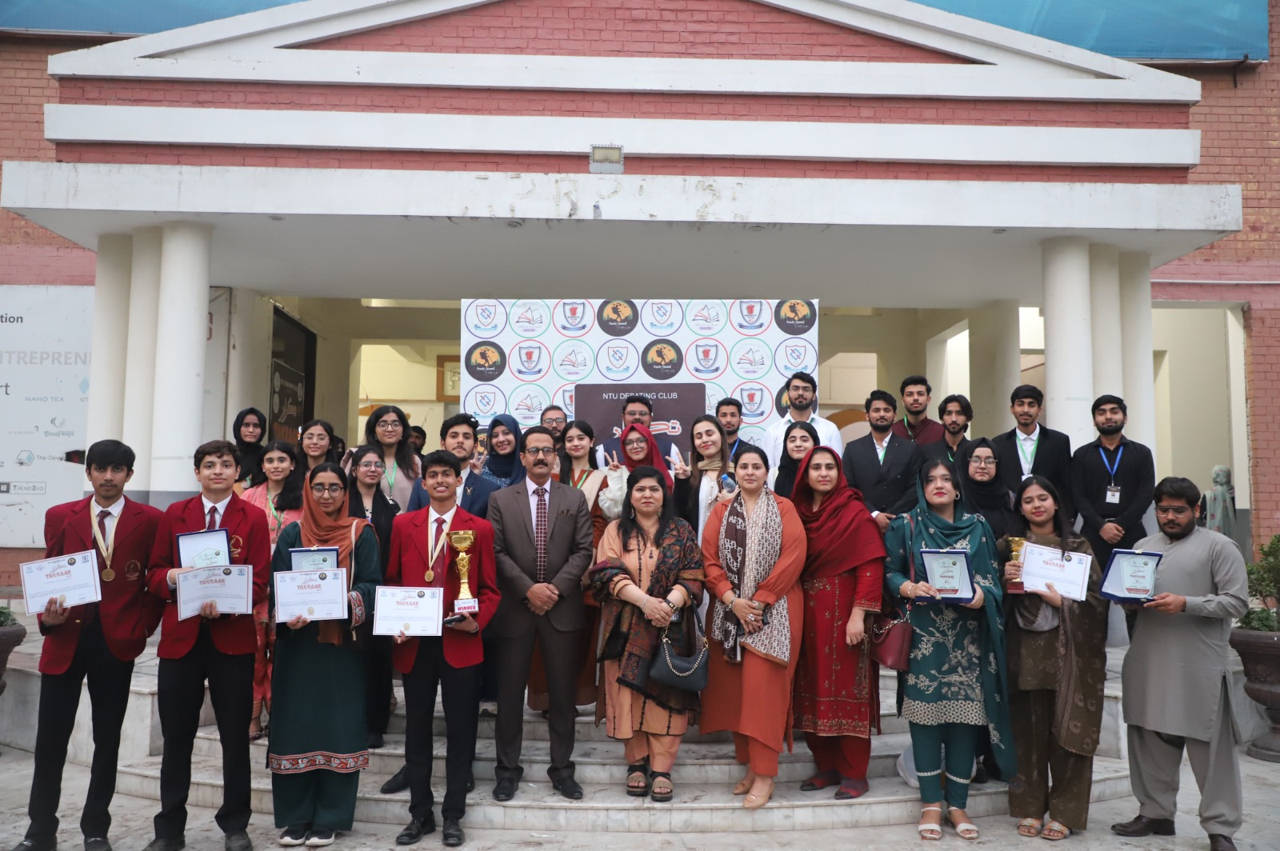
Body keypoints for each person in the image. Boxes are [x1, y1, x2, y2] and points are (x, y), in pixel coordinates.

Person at [16, 441, 164, 851]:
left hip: (117, 643)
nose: (108, 477)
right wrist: (47, 618)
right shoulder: (60, 516)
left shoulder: (150, 520)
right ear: (89, 473)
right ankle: (39, 830)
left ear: (129, 475)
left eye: (117, 470)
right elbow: (48, 571)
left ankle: (95, 828)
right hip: (65, 639)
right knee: (50, 742)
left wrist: (141, 629)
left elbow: (153, 582)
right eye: (100, 469)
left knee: (107, 741)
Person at [143, 440, 271, 851]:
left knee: (234, 737)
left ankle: (235, 824)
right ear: (197, 472)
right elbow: (154, 574)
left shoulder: (252, 517)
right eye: (210, 464)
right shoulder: (174, 514)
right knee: (176, 737)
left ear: (237, 472)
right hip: (181, 639)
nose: (218, 471)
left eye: (226, 464)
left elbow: (259, 581)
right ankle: (169, 829)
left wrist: (229, 602)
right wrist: (175, 577)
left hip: (231, 638)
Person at [1111, 477, 1248, 851]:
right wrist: (1127, 601)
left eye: (1179, 510)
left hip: (1198, 664)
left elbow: (1236, 602)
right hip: (1149, 657)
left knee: (1210, 750)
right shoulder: (1142, 547)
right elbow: (1132, 594)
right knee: (1149, 735)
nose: (1170, 517)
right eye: (1163, 510)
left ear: (1197, 510)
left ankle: (1220, 828)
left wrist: (1186, 603)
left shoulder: (1220, 547)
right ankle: (1155, 813)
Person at [882, 459, 1014, 841]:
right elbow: (889, 572)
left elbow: (991, 579)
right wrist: (908, 588)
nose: (938, 484)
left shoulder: (978, 527)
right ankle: (930, 803)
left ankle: (957, 804)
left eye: (946, 479)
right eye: (931, 480)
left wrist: (981, 596)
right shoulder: (906, 525)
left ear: (957, 488)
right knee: (925, 719)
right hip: (923, 639)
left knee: (964, 721)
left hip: (968, 641)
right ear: (921, 487)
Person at [385, 451, 500, 848]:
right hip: (415, 643)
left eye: (446, 475)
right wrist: (395, 621)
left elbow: (490, 590)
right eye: (432, 475)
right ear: (423, 483)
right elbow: (393, 580)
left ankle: (453, 815)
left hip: (460, 640)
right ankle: (420, 813)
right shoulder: (404, 525)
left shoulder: (479, 529)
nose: (439, 481)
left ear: (458, 480)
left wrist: (477, 621)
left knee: (461, 731)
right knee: (416, 731)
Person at [266, 463, 380, 847]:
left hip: (341, 650)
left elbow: (372, 584)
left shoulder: (360, 532)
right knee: (295, 726)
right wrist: (288, 615)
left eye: (334, 488)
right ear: (308, 491)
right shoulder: (292, 533)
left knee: (338, 727)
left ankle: (330, 817)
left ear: (345, 493)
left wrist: (345, 601)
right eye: (319, 487)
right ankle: (295, 818)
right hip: (298, 647)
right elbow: (278, 586)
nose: (326, 495)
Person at [486, 427, 594, 802]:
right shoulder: (501, 499)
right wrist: (528, 589)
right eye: (534, 450)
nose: (541, 457)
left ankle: (562, 770)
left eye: (548, 450)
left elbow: (584, 550)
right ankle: (507, 771)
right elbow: (495, 551)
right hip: (515, 610)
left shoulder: (574, 497)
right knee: (509, 696)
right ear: (523, 457)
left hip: (562, 609)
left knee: (562, 697)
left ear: (556, 456)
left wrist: (554, 589)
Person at [587, 467, 704, 802]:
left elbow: (693, 574)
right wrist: (645, 602)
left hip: (670, 628)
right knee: (627, 697)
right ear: (631, 496)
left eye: (654, 489)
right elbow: (606, 572)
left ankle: (662, 769)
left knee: (666, 698)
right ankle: (636, 763)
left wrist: (668, 604)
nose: (648, 495)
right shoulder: (615, 530)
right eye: (640, 490)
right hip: (625, 628)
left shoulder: (681, 530)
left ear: (664, 494)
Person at [1000, 476, 1107, 841]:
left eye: (1042, 498)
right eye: (1028, 500)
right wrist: (1003, 578)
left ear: (1056, 502)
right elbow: (990, 593)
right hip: (1023, 653)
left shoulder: (1078, 547)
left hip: (1069, 657)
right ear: (1020, 509)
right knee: (1026, 733)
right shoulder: (1009, 547)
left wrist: (1062, 603)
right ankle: (1029, 807)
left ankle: (1064, 813)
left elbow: (1097, 601)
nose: (1036, 505)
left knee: (1068, 733)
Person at [700, 446, 807, 809]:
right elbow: (709, 560)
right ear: (735, 471)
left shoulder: (784, 508)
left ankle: (765, 775)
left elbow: (794, 555)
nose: (749, 472)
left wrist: (759, 601)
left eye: (756, 466)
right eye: (743, 466)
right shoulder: (720, 510)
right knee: (736, 694)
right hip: (730, 612)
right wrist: (733, 601)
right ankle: (749, 766)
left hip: (774, 612)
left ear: (767, 471)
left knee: (764, 695)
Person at [791, 447, 885, 800]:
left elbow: (870, 566)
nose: (823, 473)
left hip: (845, 614)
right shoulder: (797, 512)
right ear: (805, 474)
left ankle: (855, 773)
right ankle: (826, 767)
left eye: (830, 467)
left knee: (848, 690)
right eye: (816, 467)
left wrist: (859, 614)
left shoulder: (853, 512)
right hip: (806, 612)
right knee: (811, 687)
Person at [525, 419, 610, 716]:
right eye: (570, 439)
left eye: (581, 438)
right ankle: (547, 697)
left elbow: (600, 521)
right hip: (546, 565)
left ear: (591, 441)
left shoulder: (602, 479)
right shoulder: (550, 475)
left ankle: (572, 697)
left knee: (580, 635)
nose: (575, 443)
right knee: (544, 635)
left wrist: (585, 560)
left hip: (585, 567)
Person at [240, 441, 305, 741]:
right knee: (254, 653)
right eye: (270, 460)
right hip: (255, 584)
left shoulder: (304, 497)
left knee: (282, 654)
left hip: (289, 584)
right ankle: (253, 717)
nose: (276, 465)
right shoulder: (249, 496)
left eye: (282, 460)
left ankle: (278, 717)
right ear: (262, 466)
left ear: (292, 464)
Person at [347, 445, 399, 750]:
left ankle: (376, 725)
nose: (372, 469)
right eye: (365, 464)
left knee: (380, 659)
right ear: (354, 470)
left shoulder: (391, 506)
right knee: (352, 660)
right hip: (350, 590)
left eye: (377, 464)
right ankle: (351, 720)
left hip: (384, 591)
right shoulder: (342, 503)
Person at [1070, 395, 1155, 573]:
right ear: (1094, 420)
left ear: (1125, 418)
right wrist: (1101, 526)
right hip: (1093, 533)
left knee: (1133, 585)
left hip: (1132, 532)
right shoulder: (1081, 455)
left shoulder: (1142, 453)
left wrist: (1120, 525)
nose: (1108, 416)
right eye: (1101, 413)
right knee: (1092, 587)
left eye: (1114, 412)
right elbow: (1078, 496)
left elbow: (1146, 493)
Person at [842, 390, 923, 532]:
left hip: (900, 524)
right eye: (876, 410)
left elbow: (915, 488)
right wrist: (874, 514)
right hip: (863, 522)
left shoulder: (910, 448)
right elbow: (849, 488)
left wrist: (891, 517)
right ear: (867, 415)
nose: (881, 414)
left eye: (887, 410)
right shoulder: (852, 449)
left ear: (894, 415)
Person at [991, 385, 1072, 517]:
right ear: (1012, 409)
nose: (1025, 410)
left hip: (1048, 517)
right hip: (1010, 517)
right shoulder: (998, 444)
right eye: (1020, 404)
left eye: (1031, 405)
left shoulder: (1059, 441)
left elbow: (1066, 484)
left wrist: (1066, 518)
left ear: (1039, 409)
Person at [406, 414, 499, 519]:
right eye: (454, 436)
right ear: (443, 443)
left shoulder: (489, 489)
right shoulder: (421, 485)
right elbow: (411, 523)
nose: (460, 441)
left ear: (475, 446)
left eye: (466, 437)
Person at [762, 372, 843, 468]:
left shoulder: (830, 429)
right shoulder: (773, 431)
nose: (800, 393)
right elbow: (768, 470)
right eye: (795, 389)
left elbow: (837, 466)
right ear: (788, 394)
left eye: (806, 389)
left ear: (814, 395)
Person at [672, 414, 736, 535]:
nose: (705, 440)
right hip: (697, 545)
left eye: (709, 434)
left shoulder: (737, 472)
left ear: (721, 436)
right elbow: (679, 516)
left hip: (729, 544)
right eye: (698, 437)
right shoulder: (689, 474)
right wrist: (682, 482)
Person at [599, 423, 674, 519]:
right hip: (624, 527)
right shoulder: (615, 473)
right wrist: (615, 477)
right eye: (629, 442)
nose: (635, 446)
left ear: (649, 442)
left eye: (640, 440)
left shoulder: (669, 475)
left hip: (663, 527)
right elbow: (612, 512)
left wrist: (683, 480)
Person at [361, 405, 420, 512]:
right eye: (383, 425)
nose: (389, 429)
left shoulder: (414, 461)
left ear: (403, 431)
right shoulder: (360, 459)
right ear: (374, 431)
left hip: (407, 521)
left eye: (395, 424)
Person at [595, 395, 676, 469]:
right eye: (632, 413)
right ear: (623, 417)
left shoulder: (669, 448)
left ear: (650, 418)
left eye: (643, 413)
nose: (637, 417)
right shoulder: (605, 449)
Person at [961, 438, 1015, 541]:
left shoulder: (1009, 498)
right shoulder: (956, 496)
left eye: (989, 461)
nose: (982, 466)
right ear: (966, 463)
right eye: (976, 460)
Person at [768, 420, 818, 498]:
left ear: (814, 443)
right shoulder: (773, 475)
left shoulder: (822, 473)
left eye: (804, 440)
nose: (798, 444)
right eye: (792, 440)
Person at [891, 375, 944, 446]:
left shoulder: (940, 432)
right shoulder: (893, 431)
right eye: (909, 394)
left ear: (928, 399)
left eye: (920, 394)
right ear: (903, 401)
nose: (915, 398)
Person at [477, 414, 526, 489]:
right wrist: (474, 478)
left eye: (506, 433)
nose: (501, 439)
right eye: (495, 435)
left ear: (516, 435)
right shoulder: (482, 470)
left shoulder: (529, 468)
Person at [924, 394, 974, 466]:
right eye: (948, 413)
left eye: (959, 413)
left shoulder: (974, 451)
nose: (953, 419)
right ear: (942, 419)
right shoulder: (928, 452)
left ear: (967, 418)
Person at [231, 406, 268, 489]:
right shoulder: (229, 454)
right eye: (246, 425)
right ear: (238, 427)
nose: (251, 430)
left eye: (256, 426)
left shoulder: (267, 456)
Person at [715, 397, 757, 462]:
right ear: (716, 421)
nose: (728, 420)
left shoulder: (751, 451)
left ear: (740, 421)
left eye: (733, 415)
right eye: (724, 415)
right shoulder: (708, 448)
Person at [1200, 465, 1237, 537]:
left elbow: (1203, 516)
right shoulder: (1237, 495)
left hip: (1213, 536)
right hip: (1235, 535)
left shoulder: (1208, 495)